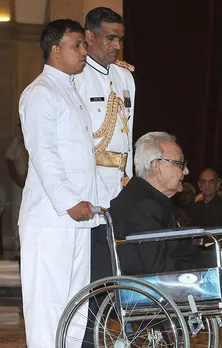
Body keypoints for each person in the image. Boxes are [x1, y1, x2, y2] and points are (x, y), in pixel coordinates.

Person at [110, 131, 222, 348]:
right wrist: (221, 259)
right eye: (180, 164)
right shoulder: (144, 206)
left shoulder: (156, 200)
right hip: (154, 287)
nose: (186, 171)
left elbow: (183, 249)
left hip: (171, 278)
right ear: (157, 166)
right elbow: (158, 267)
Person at [18, 19, 99, 347]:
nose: (84, 51)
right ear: (55, 50)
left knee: (76, 306)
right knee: (47, 308)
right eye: (77, 45)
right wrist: (69, 201)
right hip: (51, 219)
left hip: (77, 220)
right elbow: (44, 154)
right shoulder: (40, 93)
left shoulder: (70, 90)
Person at [76, 7, 135, 282]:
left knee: (119, 268)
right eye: (110, 38)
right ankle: (88, 326)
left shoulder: (125, 77)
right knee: (92, 270)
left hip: (120, 187)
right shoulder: (75, 77)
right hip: (92, 187)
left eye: (120, 39)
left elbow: (128, 135)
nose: (116, 45)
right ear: (89, 36)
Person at [5, 123, 28, 254]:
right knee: (17, 212)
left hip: (32, 182)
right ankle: (17, 248)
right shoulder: (17, 142)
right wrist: (16, 177)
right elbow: (8, 160)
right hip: (18, 182)